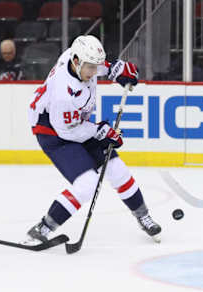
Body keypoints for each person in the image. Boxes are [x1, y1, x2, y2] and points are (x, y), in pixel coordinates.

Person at [25, 35, 161, 244]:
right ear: (76, 62)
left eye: (96, 67)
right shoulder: (65, 94)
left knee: (117, 169)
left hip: (76, 123)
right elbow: (68, 132)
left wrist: (117, 69)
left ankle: (143, 216)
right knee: (86, 184)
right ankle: (43, 228)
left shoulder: (78, 59)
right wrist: (101, 132)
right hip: (52, 130)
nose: (94, 72)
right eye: (90, 67)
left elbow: (101, 65)